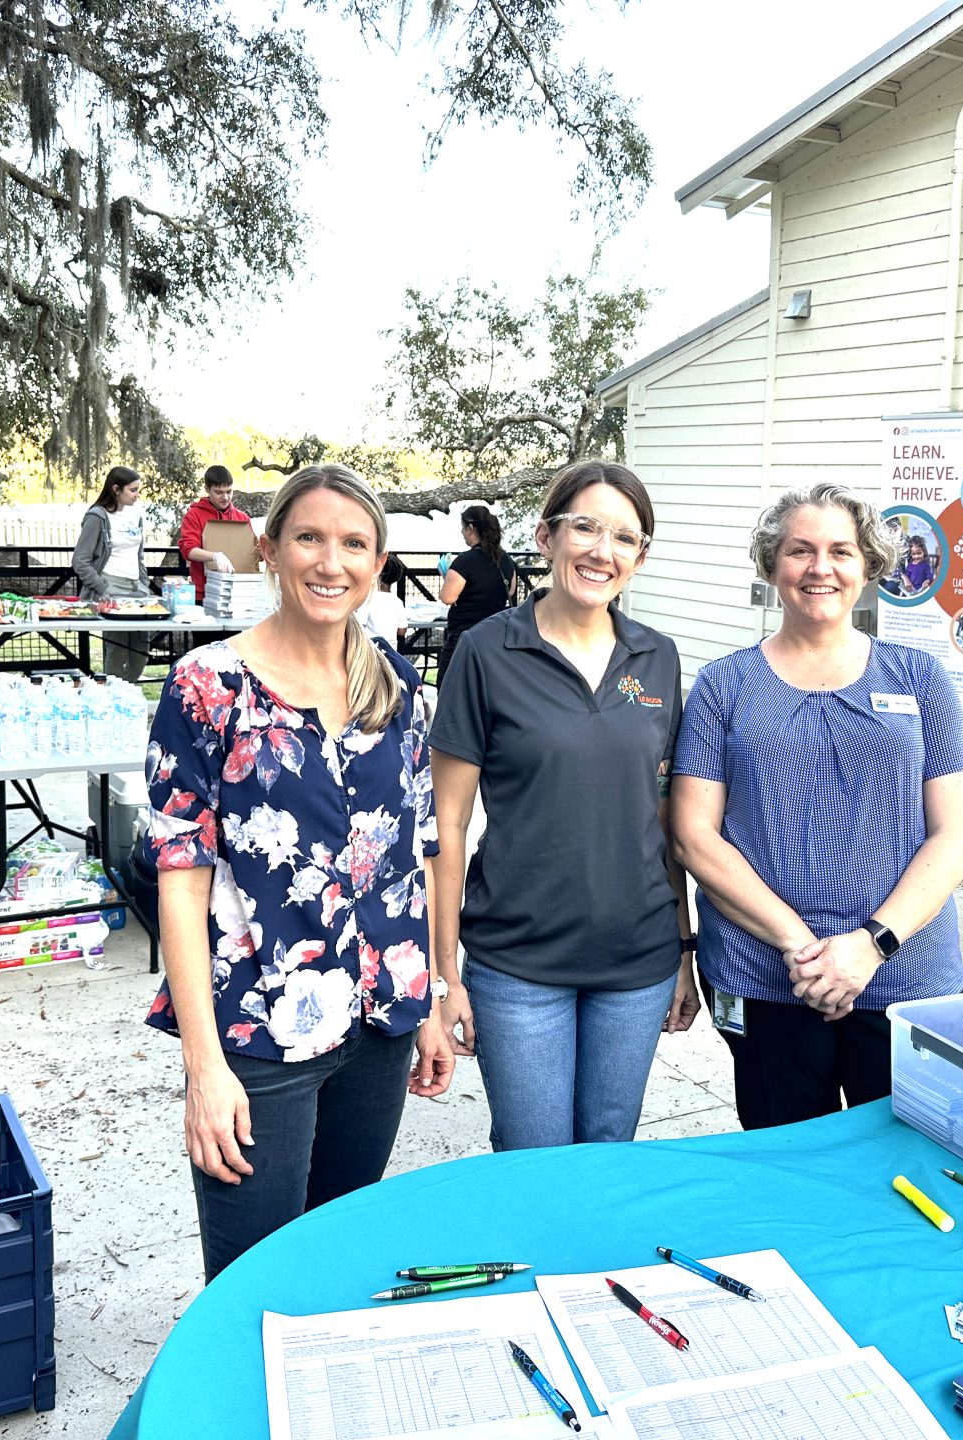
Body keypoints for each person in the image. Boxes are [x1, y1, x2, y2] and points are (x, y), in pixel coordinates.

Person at [143, 463, 453, 1283]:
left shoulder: (396, 685)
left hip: (378, 1029)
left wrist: (428, 999)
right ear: (270, 550)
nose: (330, 562)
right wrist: (203, 1067)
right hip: (257, 1034)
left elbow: (413, 858)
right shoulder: (208, 687)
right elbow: (181, 880)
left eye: (354, 544)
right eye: (310, 537)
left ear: (377, 563)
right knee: (251, 1279)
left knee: (338, 1259)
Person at [671, 482, 963, 1131]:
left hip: (905, 978)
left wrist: (869, 946)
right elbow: (694, 836)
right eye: (799, 550)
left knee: (905, 1165)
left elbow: (953, 838)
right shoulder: (724, 686)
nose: (820, 568)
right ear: (771, 564)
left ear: (868, 566)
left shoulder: (920, 678)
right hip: (764, 976)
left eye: (841, 551)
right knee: (787, 1164)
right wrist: (802, 947)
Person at [429, 460, 696, 1151]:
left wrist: (683, 949)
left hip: (636, 962)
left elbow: (663, 816)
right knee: (534, 1163)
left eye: (624, 537)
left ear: (641, 557)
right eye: (585, 527)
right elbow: (446, 825)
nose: (602, 551)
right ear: (547, 537)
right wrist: (444, 974)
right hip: (518, 963)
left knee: (609, 1156)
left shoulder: (658, 658)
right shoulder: (486, 652)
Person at [71, 464, 156, 681]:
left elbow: (138, 555)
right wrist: (102, 588)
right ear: (116, 489)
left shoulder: (135, 515)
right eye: (133, 490)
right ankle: (113, 694)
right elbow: (80, 560)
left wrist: (144, 583)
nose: (137, 495)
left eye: (138, 490)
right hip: (111, 587)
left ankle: (127, 690)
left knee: (141, 652)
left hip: (137, 589)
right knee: (117, 651)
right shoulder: (97, 517)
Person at [436, 504, 517, 681]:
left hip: (464, 635)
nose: (462, 532)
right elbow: (511, 590)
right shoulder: (504, 559)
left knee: (450, 683)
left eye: (463, 527)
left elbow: (447, 597)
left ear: (471, 528)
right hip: (494, 634)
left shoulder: (465, 561)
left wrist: (448, 578)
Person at [177, 464, 252, 597]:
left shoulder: (242, 518)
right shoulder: (194, 515)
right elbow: (189, 550)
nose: (225, 497)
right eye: (219, 492)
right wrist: (215, 556)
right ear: (207, 489)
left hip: (238, 593)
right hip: (204, 593)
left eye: (229, 492)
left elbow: (253, 552)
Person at [361, 553, 409, 650]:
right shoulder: (398, 602)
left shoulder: (368, 599)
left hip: (372, 650)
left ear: (377, 572)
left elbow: (360, 625)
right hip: (391, 651)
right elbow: (402, 631)